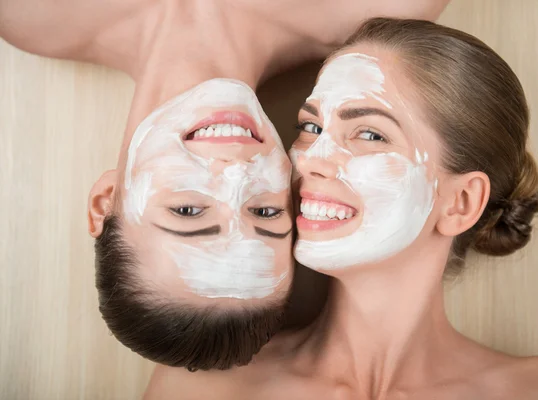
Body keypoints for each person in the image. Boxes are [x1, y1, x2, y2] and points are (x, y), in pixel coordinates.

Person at [144, 18, 538, 399]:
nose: (309, 158)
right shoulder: (203, 390)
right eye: (310, 126)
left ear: (460, 203)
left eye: (370, 134)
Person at [0, 0, 450, 371]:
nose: (236, 171)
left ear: (105, 200)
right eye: (265, 212)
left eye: (189, 211)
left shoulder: (29, 15)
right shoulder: (387, 6)